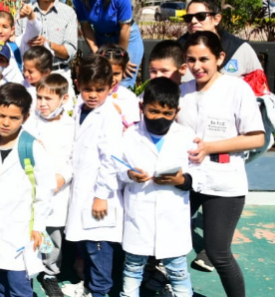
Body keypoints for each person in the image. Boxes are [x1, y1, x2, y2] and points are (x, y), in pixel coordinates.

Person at [178, 32, 265, 297]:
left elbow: (256, 138)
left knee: (218, 252)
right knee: (165, 240)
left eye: (204, 59)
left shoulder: (237, 89)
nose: (197, 66)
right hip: (185, 180)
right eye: (191, 59)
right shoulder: (182, 91)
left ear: (220, 58)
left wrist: (209, 147)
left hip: (223, 182)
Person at [0, 83, 56, 297]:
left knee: (20, 285)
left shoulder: (32, 147)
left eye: (14, 118)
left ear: (25, 117)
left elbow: (45, 190)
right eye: (1, 115)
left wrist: (38, 227)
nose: (6, 122)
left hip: (21, 232)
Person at [119, 78, 198, 297]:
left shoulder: (186, 137)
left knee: (178, 270)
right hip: (139, 214)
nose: (159, 118)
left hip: (173, 217)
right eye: (153, 111)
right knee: (133, 267)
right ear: (141, 107)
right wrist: (129, 174)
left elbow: (200, 172)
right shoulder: (130, 136)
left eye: (167, 113)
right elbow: (116, 168)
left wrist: (181, 180)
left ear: (176, 111)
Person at [62, 55, 124, 297]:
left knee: (99, 248)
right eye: (88, 89)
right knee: (87, 245)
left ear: (111, 86)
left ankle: (98, 291)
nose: (93, 95)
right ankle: (88, 285)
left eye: (100, 90)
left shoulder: (109, 116)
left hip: (99, 196)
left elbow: (111, 160)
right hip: (82, 188)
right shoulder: (80, 108)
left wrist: (101, 196)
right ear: (78, 84)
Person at [22, 74, 74, 297]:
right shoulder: (28, 122)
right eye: (39, 97)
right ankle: (26, 272)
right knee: (29, 230)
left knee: (53, 234)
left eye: (48, 99)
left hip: (58, 191)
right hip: (30, 189)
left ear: (64, 99)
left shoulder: (71, 126)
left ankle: (50, 273)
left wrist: (62, 177)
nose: (42, 103)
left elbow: (75, 159)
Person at [72, 0, 144, 89]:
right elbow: (86, 27)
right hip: (101, 39)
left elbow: (125, 28)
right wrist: (97, 53)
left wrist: (122, 57)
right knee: (101, 81)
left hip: (127, 38)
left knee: (123, 82)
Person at [178, 0, 262, 79]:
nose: (193, 21)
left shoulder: (240, 49)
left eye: (201, 16)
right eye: (188, 18)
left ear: (217, 19)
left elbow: (259, 83)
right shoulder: (177, 50)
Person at [20, 0, 79, 80]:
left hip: (58, 73)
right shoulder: (24, 11)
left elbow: (70, 52)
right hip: (29, 76)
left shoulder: (68, 13)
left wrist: (47, 44)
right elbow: (16, 45)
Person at [97, 45, 140, 129]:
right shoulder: (91, 94)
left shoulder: (129, 97)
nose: (111, 79)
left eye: (116, 74)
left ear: (123, 72)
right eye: (106, 73)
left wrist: (120, 115)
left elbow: (133, 125)